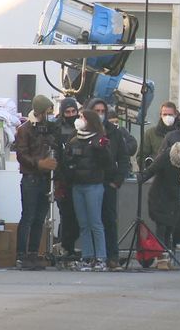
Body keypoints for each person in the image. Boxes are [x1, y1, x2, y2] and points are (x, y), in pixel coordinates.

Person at [138, 107, 180, 251]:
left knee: (171, 226)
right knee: (162, 226)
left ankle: (168, 253)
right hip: (161, 196)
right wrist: (141, 178)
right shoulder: (168, 155)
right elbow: (152, 169)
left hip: (174, 196)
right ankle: (162, 255)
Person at [15, 95, 58, 270]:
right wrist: (39, 163)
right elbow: (21, 154)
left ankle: (33, 253)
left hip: (45, 179)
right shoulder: (24, 129)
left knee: (39, 218)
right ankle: (21, 255)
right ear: (41, 111)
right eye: (48, 111)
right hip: (31, 178)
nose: (51, 114)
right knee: (28, 216)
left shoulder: (48, 129)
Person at [65, 110, 112, 271]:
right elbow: (68, 161)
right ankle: (87, 256)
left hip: (94, 185)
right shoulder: (74, 140)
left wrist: (102, 149)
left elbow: (107, 162)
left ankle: (101, 257)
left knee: (95, 222)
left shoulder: (99, 139)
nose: (79, 120)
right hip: (78, 185)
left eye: (81, 117)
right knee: (83, 223)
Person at [87, 98, 129, 271]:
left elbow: (123, 158)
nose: (100, 114)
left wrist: (117, 181)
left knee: (109, 220)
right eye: (96, 111)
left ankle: (112, 256)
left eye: (102, 111)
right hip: (90, 182)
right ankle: (92, 256)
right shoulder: (85, 131)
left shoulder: (114, 132)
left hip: (108, 182)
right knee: (91, 220)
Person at [53, 97, 80, 260]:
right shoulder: (57, 129)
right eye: (67, 112)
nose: (71, 115)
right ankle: (65, 246)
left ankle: (67, 245)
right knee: (66, 215)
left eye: (73, 112)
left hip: (78, 178)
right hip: (62, 180)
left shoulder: (81, 128)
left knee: (76, 218)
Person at [137, 101, 179, 168]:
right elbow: (141, 156)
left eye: (170, 114)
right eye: (165, 114)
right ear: (160, 115)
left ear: (175, 115)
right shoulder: (150, 133)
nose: (167, 117)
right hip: (156, 173)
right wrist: (148, 169)